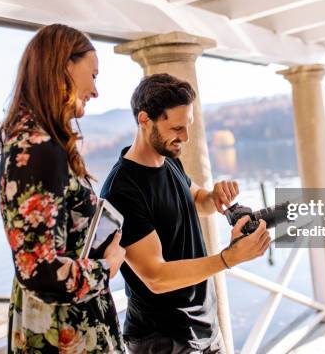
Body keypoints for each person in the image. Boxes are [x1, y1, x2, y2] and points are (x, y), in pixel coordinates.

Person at [100, 73, 271, 354]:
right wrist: (228, 259)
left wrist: (216, 196)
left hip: (204, 327)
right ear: (144, 120)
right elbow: (156, 276)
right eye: (177, 128)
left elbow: (197, 200)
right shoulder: (122, 190)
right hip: (163, 340)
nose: (186, 137)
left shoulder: (170, 161)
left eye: (188, 125)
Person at [0, 24, 126, 353]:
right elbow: (39, 272)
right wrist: (106, 268)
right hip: (64, 333)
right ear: (65, 65)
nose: (96, 90)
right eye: (93, 75)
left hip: (54, 323)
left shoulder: (30, 141)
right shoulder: (40, 148)